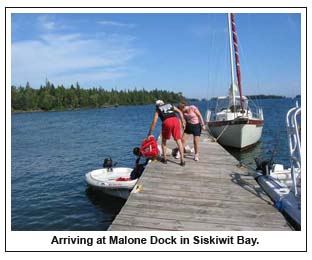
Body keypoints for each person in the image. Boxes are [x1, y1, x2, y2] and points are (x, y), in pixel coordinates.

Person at [147, 100, 186, 166]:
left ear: (157, 106)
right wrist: (183, 121)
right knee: (178, 140)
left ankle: (164, 159)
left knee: (164, 141)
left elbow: (154, 122)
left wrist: (149, 133)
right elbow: (180, 112)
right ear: (163, 103)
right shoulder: (170, 105)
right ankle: (182, 160)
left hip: (167, 122)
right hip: (176, 120)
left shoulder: (158, 110)